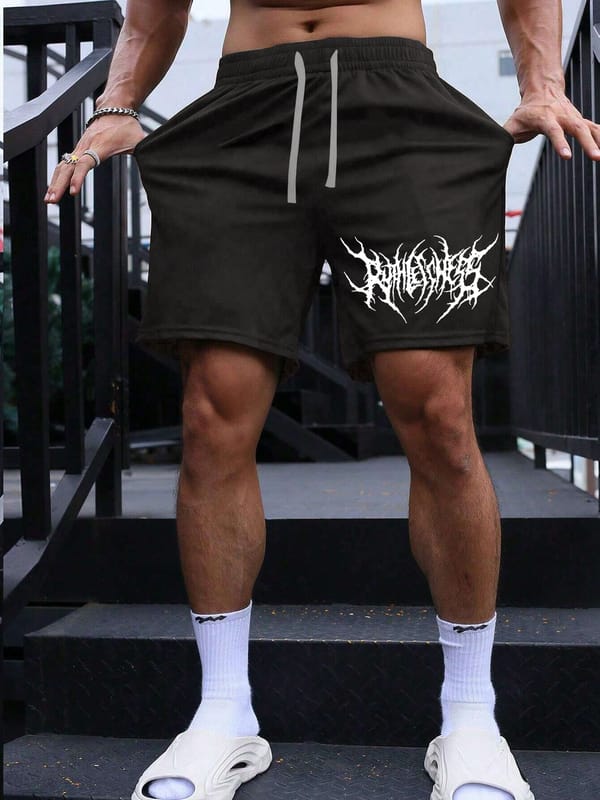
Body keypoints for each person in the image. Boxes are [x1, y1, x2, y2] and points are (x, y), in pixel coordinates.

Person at [45, 1, 600, 798]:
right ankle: (224, 712)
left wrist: (542, 82)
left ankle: (471, 716)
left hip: (396, 105)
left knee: (438, 412)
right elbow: (154, 11)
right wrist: (117, 105)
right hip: (244, 114)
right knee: (213, 410)